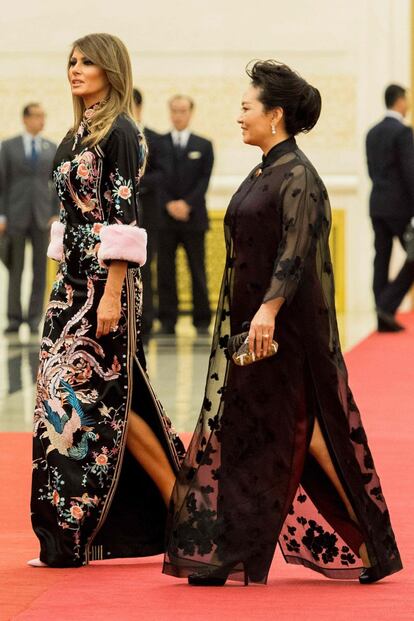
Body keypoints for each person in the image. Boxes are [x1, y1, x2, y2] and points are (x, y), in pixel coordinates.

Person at [163, 60, 402, 586]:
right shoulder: (263, 169)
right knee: (256, 432)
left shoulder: (300, 177)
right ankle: (236, 548)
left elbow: (293, 253)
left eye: (247, 107)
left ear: (274, 115)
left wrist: (268, 310)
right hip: (253, 332)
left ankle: (364, 543)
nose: (239, 116)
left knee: (302, 432)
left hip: (283, 334)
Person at [29, 33, 184, 569]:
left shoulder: (120, 133)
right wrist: (59, 281)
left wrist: (112, 293)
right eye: (71, 60)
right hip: (68, 287)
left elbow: (121, 217)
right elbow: (69, 216)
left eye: (87, 61)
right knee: (70, 404)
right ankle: (64, 533)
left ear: (111, 69)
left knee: (102, 401)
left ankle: (176, 508)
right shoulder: (75, 134)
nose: (75, 69)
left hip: (103, 289)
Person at [158, 95, 214, 335]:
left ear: (191, 113)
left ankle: (201, 320)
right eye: (174, 110)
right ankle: (167, 320)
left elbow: (204, 180)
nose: (178, 115)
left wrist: (186, 204)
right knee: (165, 271)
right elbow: (155, 178)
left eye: (183, 110)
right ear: (169, 113)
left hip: (194, 218)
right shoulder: (158, 144)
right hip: (164, 218)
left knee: (197, 269)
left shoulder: (204, 145)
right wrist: (169, 204)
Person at [0, 103, 58, 334]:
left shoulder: (51, 148)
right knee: (16, 268)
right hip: (15, 215)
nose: (40, 121)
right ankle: (14, 318)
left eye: (43, 116)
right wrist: (2, 215)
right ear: (25, 119)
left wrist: (55, 212)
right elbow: (1, 185)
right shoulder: (8, 147)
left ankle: (35, 317)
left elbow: (56, 185)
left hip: (42, 216)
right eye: (36, 116)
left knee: (39, 269)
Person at [366, 84, 414, 332]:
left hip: (377, 205)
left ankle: (381, 315)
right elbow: (409, 173)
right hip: (399, 208)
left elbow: (372, 171)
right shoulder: (403, 132)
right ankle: (386, 305)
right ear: (399, 101)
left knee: (381, 259)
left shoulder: (371, 133)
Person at [132, 88, 168, 338]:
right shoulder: (114, 135)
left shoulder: (155, 138)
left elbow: (161, 175)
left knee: (146, 267)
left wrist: (134, 183)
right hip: (122, 217)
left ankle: (146, 319)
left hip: (149, 214)